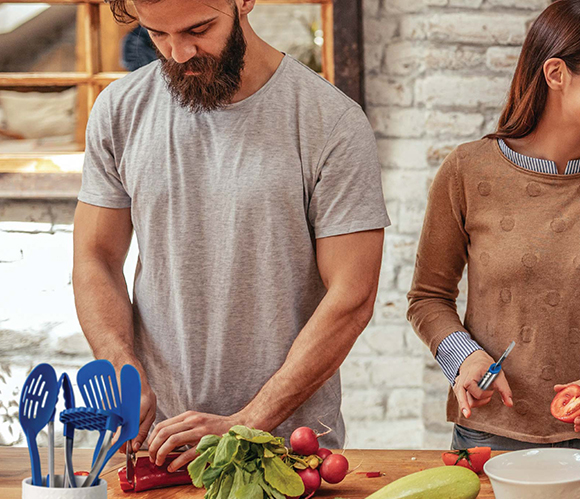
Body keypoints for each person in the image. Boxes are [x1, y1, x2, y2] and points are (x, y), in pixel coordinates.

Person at [74, 0, 388, 471]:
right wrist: (120, 364)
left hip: (286, 451)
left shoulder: (331, 122)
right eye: (158, 34)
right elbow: (95, 257)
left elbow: (353, 297)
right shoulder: (119, 110)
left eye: (199, 28)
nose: (179, 53)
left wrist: (248, 420)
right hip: (157, 443)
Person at [407, 0, 580, 453]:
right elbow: (428, 298)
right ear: (556, 74)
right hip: (492, 434)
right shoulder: (467, 171)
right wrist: (464, 358)